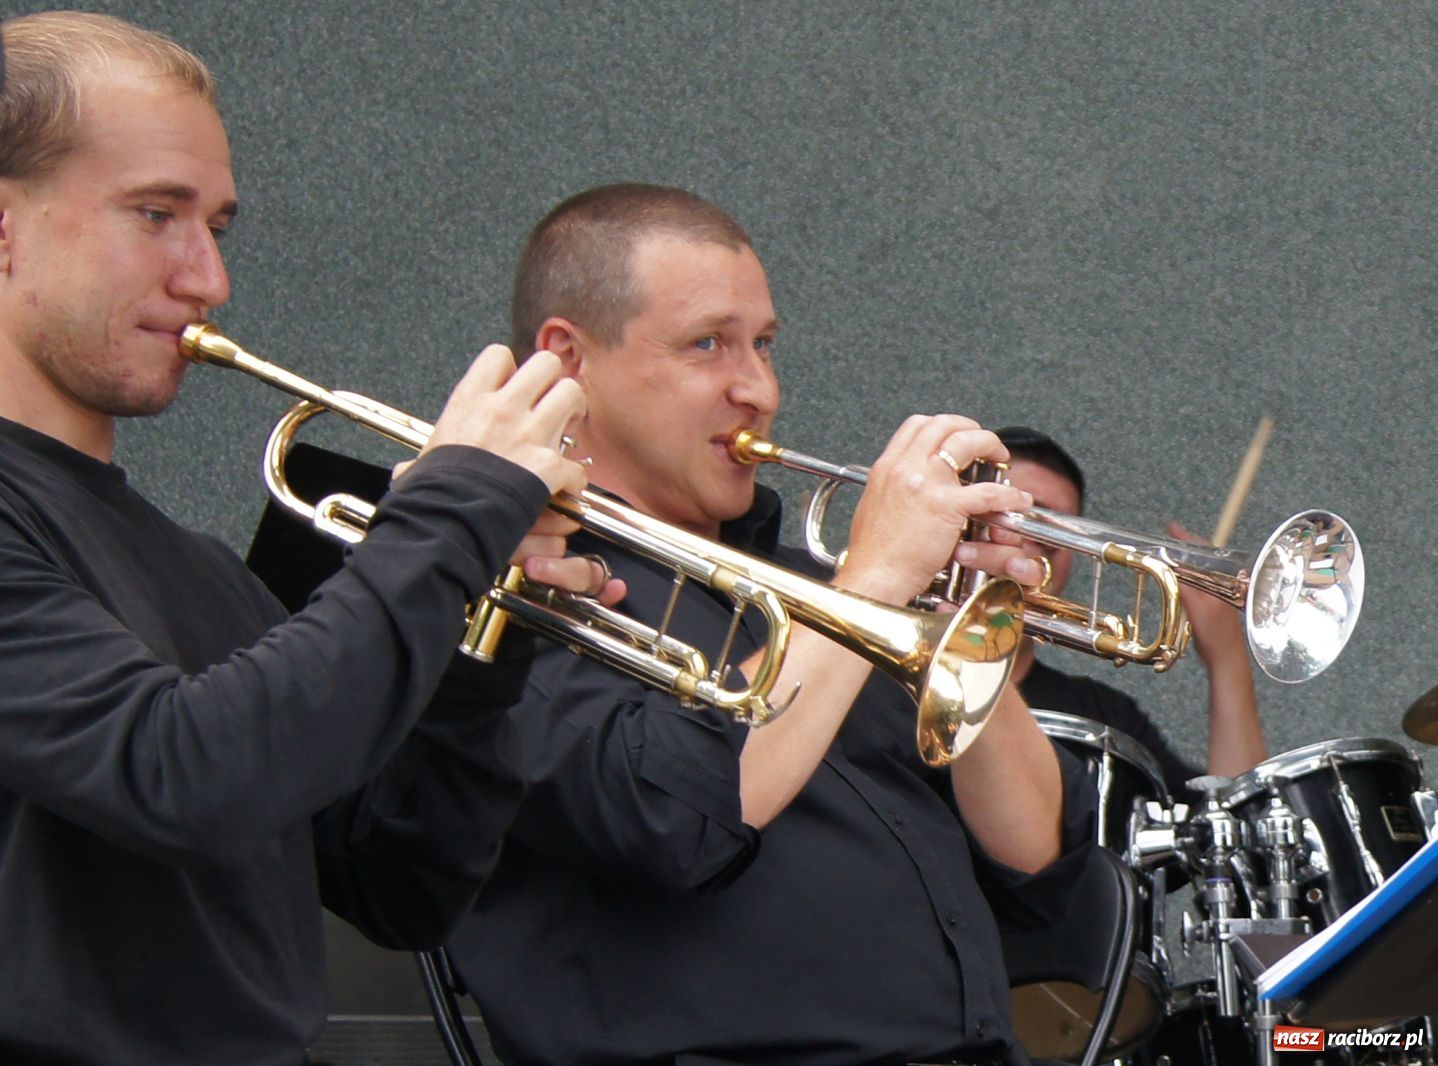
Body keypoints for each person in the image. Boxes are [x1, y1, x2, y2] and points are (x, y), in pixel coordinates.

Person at [0, 13, 613, 1066]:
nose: (208, 278)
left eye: (218, 228)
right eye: (156, 213)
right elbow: (183, 776)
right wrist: (453, 510)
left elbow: (399, 882)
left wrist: (480, 639)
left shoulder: (201, 574)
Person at [444, 183, 1099, 1066]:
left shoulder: (815, 589)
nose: (758, 388)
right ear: (569, 359)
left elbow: (1037, 866)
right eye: (708, 344)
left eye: (764, 345)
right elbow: (671, 817)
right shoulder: (511, 587)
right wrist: (872, 580)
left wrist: (959, 610)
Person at [996, 425, 1268, 801]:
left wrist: (1227, 657)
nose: (1052, 546)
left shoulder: (1107, 720)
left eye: (1065, 532)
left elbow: (1233, 826)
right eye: (1027, 518)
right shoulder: (888, 661)